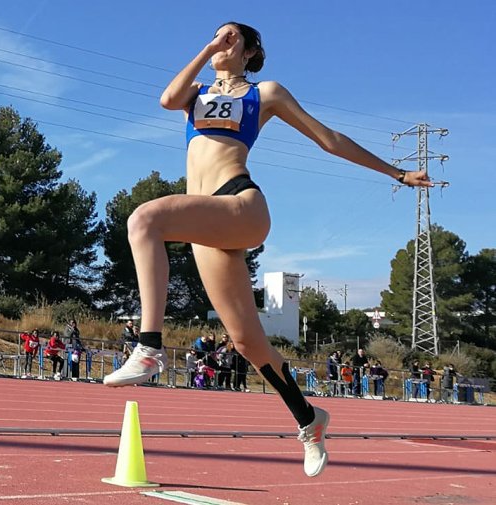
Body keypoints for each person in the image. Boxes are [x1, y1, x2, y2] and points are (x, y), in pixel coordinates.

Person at [101, 21, 432, 477]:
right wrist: (207, 49)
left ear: (252, 49)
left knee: (144, 219)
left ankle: (149, 347)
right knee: (246, 341)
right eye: (217, 34)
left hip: (240, 203)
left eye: (232, 36)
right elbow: (167, 99)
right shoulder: (194, 91)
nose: (223, 40)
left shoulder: (265, 93)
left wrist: (396, 174)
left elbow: (328, 139)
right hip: (207, 224)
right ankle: (310, 420)